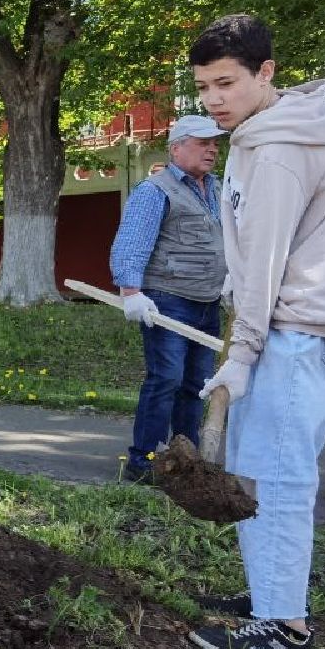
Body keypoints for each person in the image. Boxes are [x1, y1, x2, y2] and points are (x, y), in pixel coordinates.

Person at [183, 14, 325, 649]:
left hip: (301, 332)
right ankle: (270, 597)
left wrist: (241, 354)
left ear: (266, 73)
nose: (213, 100)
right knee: (262, 465)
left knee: (278, 477)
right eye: (203, 87)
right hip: (309, 325)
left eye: (226, 83)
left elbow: (263, 261)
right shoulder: (268, 133)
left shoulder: (283, 149)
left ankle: (284, 631)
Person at [109, 114, 229, 483]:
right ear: (177, 148)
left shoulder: (218, 188)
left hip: (208, 302)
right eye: (202, 142)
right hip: (168, 301)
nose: (212, 149)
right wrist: (131, 291)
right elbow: (131, 241)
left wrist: (232, 280)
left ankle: (185, 460)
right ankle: (143, 461)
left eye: (215, 143)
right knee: (167, 379)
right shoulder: (155, 190)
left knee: (197, 383)